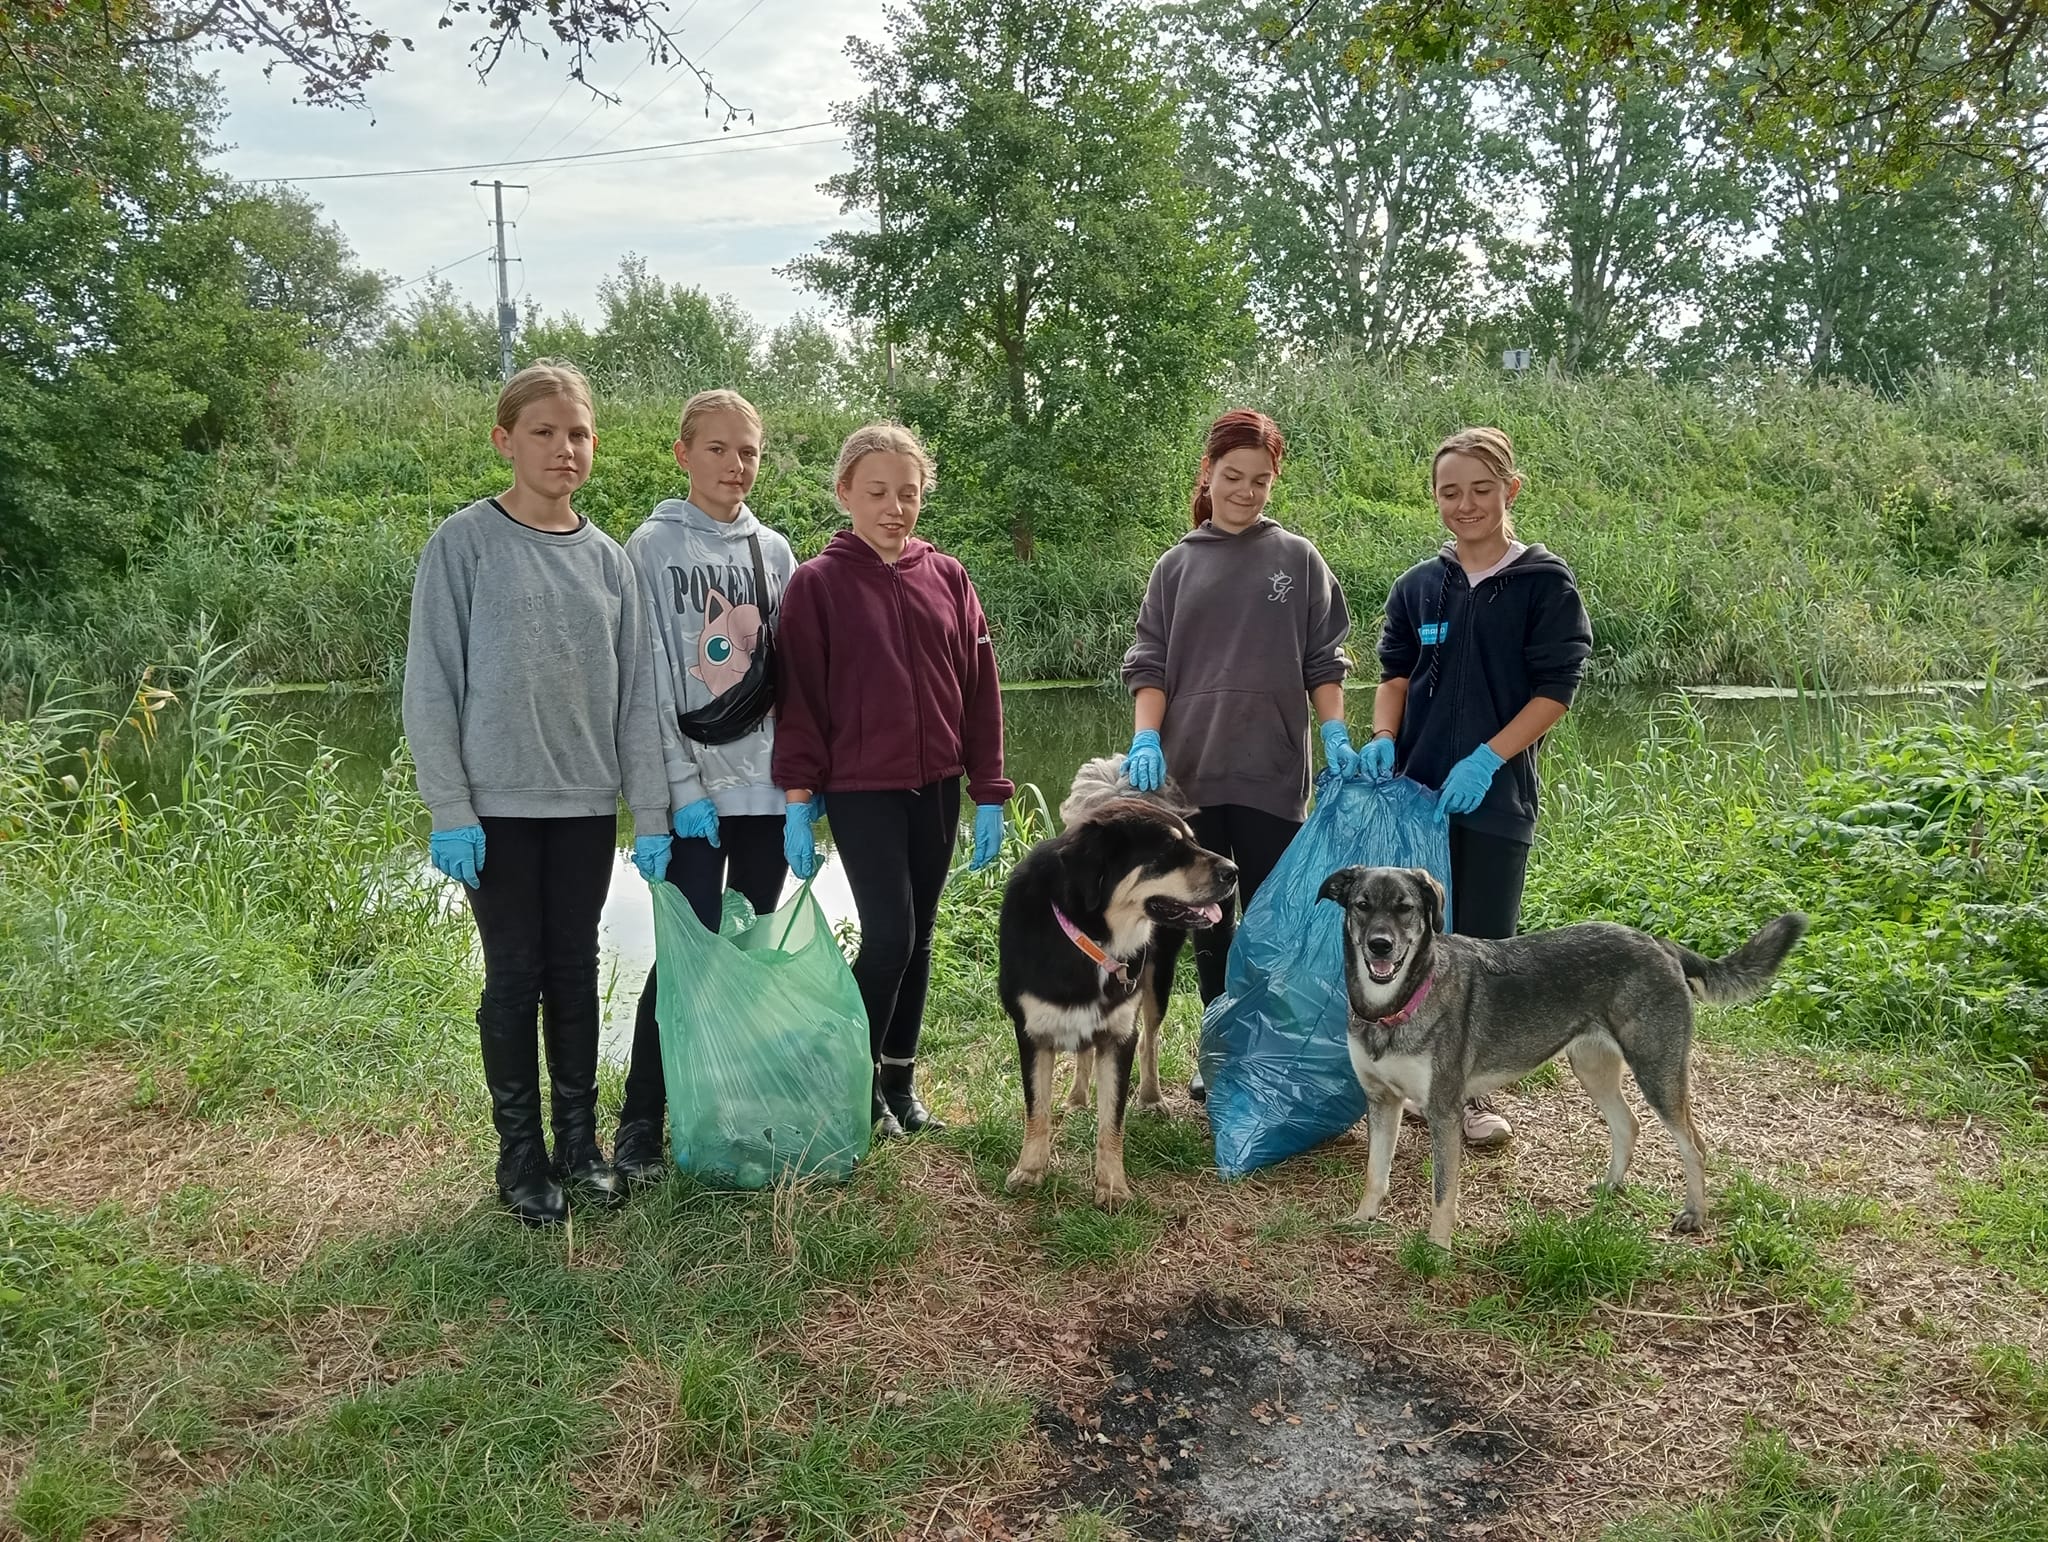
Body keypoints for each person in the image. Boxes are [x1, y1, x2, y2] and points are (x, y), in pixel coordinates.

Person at [402, 359, 673, 1227]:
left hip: (586, 808)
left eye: (579, 433)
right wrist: (450, 806)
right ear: (505, 440)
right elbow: (431, 684)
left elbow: (637, 700)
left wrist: (653, 812)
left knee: (576, 968)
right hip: (498, 812)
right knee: (515, 978)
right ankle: (519, 1159)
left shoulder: (609, 560)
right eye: (546, 432)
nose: (565, 449)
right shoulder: (465, 544)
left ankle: (578, 1146)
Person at [772, 423, 1012, 1139]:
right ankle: (848, 1082)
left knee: (923, 938)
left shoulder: (948, 577)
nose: (894, 507)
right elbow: (802, 702)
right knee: (889, 939)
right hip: (862, 790)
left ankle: (899, 1087)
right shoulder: (816, 586)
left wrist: (990, 789)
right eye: (877, 492)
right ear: (845, 491)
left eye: (908, 494)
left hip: (936, 786)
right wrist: (797, 797)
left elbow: (980, 689)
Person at [1120, 407, 1360, 1101]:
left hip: (1273, 773)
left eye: (1261, 480)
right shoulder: (1176, 566)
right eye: (1233, 477)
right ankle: (1218, 1049)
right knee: (1208, 923)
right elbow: (1150, 663)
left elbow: (1324, 659)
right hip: (1190, 778)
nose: (1246, 491)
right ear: (1208, 473)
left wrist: (1335, 731)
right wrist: (1145, 736)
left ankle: (1276, 1053)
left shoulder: (1298, 559)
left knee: (1277, 924)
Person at [1364, 426, 1594, 1149]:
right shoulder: (1419, 585)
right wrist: (1380, 738)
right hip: (1416, 797)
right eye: (1449, 492)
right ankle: (1396, 1088)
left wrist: (1489, 758)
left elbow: (1556, 690)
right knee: (1405, 944)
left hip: (1493, 799)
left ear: (1510, 491)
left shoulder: (1543, 585)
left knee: (1482, 954)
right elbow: (1395, 675)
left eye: (1481, 490)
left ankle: (1466, 1100)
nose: (1465, 505)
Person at [610, 388, 798, 1186]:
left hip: (765, 795)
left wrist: (798, 791)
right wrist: (677, 792)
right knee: (684, 960)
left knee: (749, 953)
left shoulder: (779, 554)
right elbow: (647, 678)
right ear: (683, 454)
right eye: (718, 449)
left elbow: (794, 679)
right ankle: (640, 1122)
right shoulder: (648, 549)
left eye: (748, 451)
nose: (735, 466)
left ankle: (730, 1103)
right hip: (695, 800)